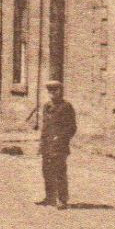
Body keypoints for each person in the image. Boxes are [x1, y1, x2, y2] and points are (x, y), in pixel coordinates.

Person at [37, 80, 77, 209]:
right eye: (50, 91)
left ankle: (62, 200)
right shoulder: (47, 106)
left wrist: (60, 138)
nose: (52, 93)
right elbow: (45, 126)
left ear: (60, 91)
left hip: (59, 145)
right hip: (47, 144)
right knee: (46, 171)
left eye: (55, 90)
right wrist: (42, 143)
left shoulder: (66, 107)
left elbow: (72, 127)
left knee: (59, 172)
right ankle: (50, 197)